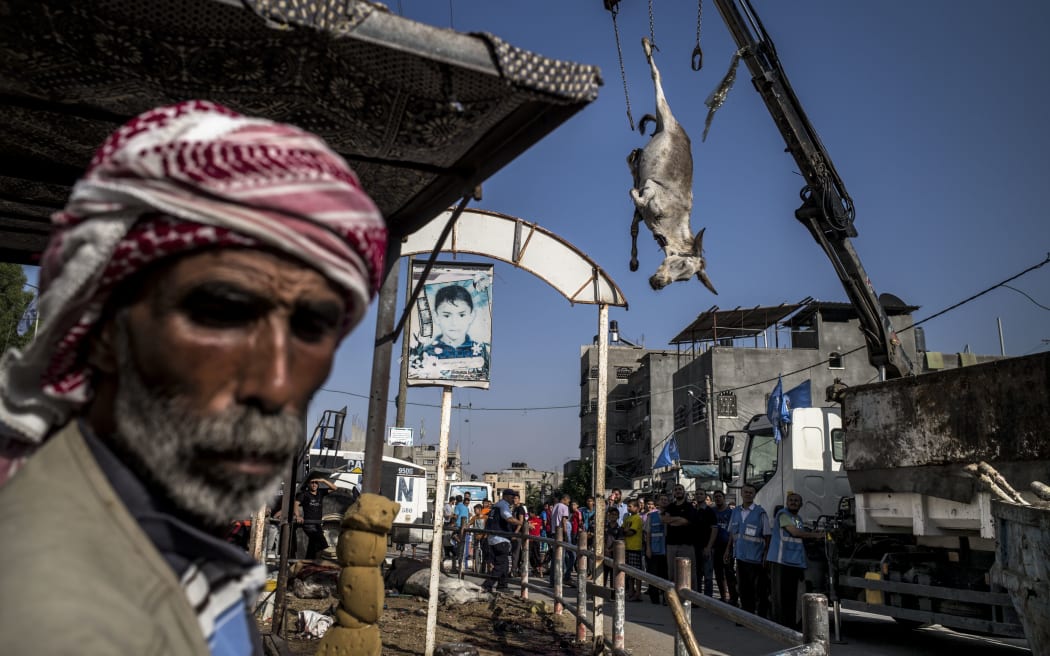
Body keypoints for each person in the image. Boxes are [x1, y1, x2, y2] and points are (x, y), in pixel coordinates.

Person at [0, 101, 387, 654]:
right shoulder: (57, 615)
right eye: (222, 312)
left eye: (311, 327)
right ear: (105, 327)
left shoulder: (173, 548)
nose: (276, 385)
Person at [410, 283, 490, 380]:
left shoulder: (481, 352)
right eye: (447, 315)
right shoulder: (426, 354)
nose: (454, 323)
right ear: (436, 317)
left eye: (461, 315)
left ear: (471, 316)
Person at [769, 492, 824, 628]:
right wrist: (816, 535)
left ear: (801, 504)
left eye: (796, 501)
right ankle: (781, 626)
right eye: (791, 500)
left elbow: (800, 536)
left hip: (793, 562)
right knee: (781, 596)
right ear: (787, 502)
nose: (793, 502)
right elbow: (795, 533)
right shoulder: (783, 514)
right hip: (781, 560)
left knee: (791, 596)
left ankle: (790, 624)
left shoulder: (798, 518)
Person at [727, 484, 772, 617]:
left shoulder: (760, 513)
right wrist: (727, 550)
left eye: (751, 492)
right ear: (741, 494)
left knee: (759, 589)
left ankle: (762, 617)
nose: (748, 494)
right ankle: (747, 616)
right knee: (743, 588)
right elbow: (732, 534)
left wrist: (766, 554)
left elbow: (767, 535)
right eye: (745, 492)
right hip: (740, 557)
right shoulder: (735, 512)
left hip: (756, 558)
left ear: (754, 495)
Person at [482, 488, 523, 592]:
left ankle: (503, 586)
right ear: (505, 496)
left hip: (494, 539)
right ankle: (487, 585)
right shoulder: (503, 505)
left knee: (504, 565)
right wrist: (523, 523)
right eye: (511, 496)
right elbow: (508, 518)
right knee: (501, 565)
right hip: (500, 539)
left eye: (514, 497)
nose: (513, 498)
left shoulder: (496, 506)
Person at [662, 483, 698, 589]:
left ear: (684, 492)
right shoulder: (670, 507)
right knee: (672, 573)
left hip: (686, 545)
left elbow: (685, 522)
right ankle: (673, 598)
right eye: (676, 489)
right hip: (671, 545)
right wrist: (678, 519)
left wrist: (673, 520)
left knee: (689, 573)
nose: (678, 491)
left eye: (680, 489)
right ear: (673, 492)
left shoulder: (689, 507)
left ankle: (692, 599)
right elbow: (665, 520)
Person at [294, 477, 337, 559]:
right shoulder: (304, 494)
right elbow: (296, 503)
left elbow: (334, 488)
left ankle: (308, 563)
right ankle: (316, 564)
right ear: (308, 484)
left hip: (317, 524)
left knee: (312, 546)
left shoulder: (320, 492)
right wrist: (298, 516)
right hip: (309, 524)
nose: (314, 484)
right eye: (312, 483)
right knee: (322, 544)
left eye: (316, 483)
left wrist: (323, 480)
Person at [712, 490, 739, 605]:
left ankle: (733, 598)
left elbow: (733, 531)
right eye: (716, 497)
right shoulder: (712, 512)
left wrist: (729, 548)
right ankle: (723, 597)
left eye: (720, 496)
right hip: (715, 547)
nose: (718, 498)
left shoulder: (731, 512)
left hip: (727, 547)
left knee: (729, 573)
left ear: (724, 498)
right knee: (718, 574)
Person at [691, 490, 719, 597]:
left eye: (701, 494)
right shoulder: (693, 511)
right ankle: (697, 598)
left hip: (707, 548)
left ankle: (708, 600)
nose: (699, 496)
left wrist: (709, 546)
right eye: (697, 494)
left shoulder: (709, 511)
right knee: (696, 575)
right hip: (694, 548)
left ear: (705, 496)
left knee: (708, 576)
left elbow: (714, 529)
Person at [644, 493, 669, 604]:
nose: (663, 501)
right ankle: (654, 598)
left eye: (666, 500)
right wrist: (648, 548)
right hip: (653, 549)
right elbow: (648, 533)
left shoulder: (670, 515)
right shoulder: (651, 516)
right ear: (658, 502)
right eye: (662, 499)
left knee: (666, 575)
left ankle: (666, 598)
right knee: (653, 574)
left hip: (666, 550)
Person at [623, 498, 645, 601]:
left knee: (636, 572)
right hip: (627, 547)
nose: (628, 508)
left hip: (635, 548)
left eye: (630, 506)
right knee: (629, 573)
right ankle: (631, 591)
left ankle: (638, 593)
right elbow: (622, 530)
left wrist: (626, 530)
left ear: (636, 508)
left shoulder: (637, 518)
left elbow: (631, 532)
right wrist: (625, 530)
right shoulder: (627, 518)